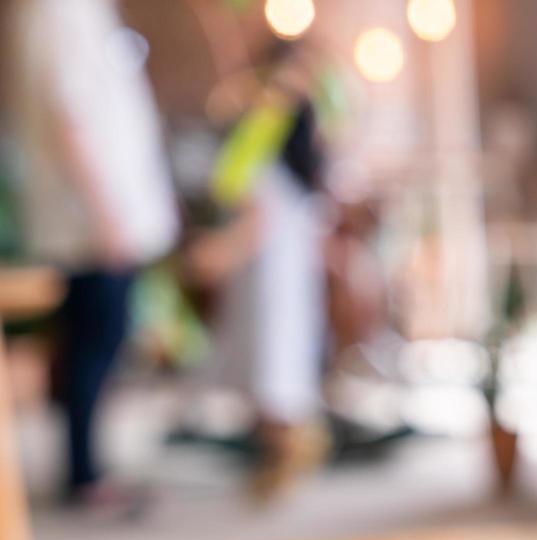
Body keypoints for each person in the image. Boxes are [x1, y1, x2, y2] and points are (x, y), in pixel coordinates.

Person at [4, 0, 179, 511]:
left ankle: (88, 469)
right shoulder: (57, 13)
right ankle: (84, 475)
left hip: (95, 218)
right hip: (90, 222)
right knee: (93, 344)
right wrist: (108, 217)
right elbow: (71, 116)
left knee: (94, 342)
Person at [201, 41, 331, 501]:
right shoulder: (294, 162)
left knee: (272, 372)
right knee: (278, 370)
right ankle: (282, 458)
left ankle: (281, 463)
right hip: (278, 279)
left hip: (269, 281)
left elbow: (254, 218)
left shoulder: (267, 141)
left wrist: (215, 254)